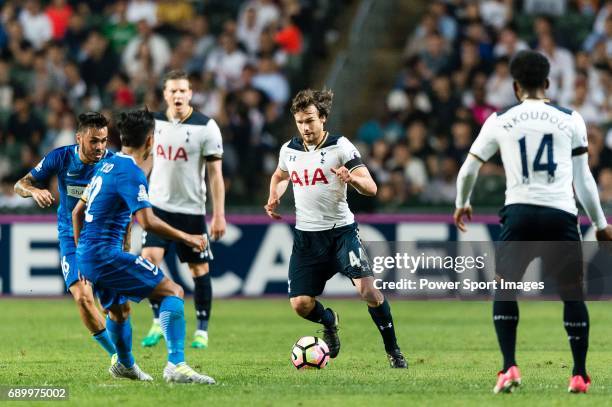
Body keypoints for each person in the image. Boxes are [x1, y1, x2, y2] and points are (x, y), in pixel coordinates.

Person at [453, 50, 612, 394]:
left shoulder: (499, 120)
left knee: (504, 288)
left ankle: (508, 367)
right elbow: (583, 179)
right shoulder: (571, 118)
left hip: (520, 213)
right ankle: (580, 375)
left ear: (515, 87)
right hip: (560, 214)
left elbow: (469, 169)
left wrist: (462, 203)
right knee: (572, 294)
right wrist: (599, 223)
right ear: (547, 83)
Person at [265, 88, 407, 368]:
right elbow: (281, 175)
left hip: (341, 233)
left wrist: (351, 177)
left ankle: (393, 351)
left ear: (323, 119)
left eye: (310, 120)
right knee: (300, 304)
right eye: (300, 122)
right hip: (307, 237)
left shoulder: (341, 146)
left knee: (368, 291)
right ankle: (330, 322)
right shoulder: (289, 150)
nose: (305, 127)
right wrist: (274, 194)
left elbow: (372, 187)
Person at [73, 109, 215, 384]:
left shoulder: (107, 164)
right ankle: (176, 364)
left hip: (90, 255)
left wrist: (81, 253)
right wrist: (188, 237)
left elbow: (77, 212)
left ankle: (124, 365)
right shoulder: (131, 172)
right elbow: (148, 222)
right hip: (104, 255)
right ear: (151, 141)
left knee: (119, 310)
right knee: (172, 291)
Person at [14, 112, 121, 370]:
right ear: (79, 138)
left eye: (104, 141)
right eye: (94, 141)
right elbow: (20, 184)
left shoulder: (115, 163)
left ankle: (123, 352)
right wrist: (34, 190)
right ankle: (119, 357)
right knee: (83, 298)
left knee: (114, 309)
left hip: (104, 238)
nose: (99, 147)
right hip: (71, 238)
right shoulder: (60, 157)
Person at [140, 70, 226, 350]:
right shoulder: (154, 123)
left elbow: (215, 174)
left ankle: (202, 330)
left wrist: (219, 214)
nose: (177, 95)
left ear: (191, 94)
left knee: (198, 269)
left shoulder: (207, 127)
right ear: (165, 94)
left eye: (182, 91)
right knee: (149, 260)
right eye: (172, 91)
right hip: (158, 207)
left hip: (191, 210)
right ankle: (157, 321)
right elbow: (146, 162)